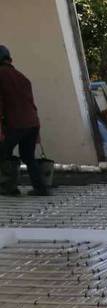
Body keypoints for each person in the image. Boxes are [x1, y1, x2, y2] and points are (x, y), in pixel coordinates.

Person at [0, 45, 50, 196]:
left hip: (15, 124)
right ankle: (40, 188)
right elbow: (31, 104)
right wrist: (37, 129)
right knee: (28, 157)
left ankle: (9, 188)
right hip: (32, 123)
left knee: (3, 153)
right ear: (9, 59)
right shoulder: (23, 77)